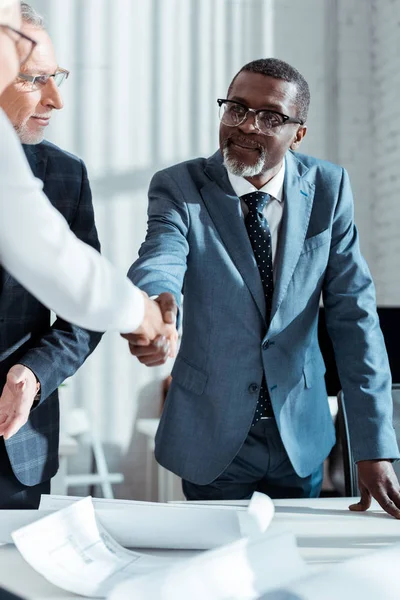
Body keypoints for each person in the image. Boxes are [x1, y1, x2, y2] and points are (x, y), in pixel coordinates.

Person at [126, 57, 400, 518]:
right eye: (236, 108)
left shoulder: (328, 189)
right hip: (212, 434)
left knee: (293, 570)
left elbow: (356, 317)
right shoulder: (180, 185)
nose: (247, 125)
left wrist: (375, 445)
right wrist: (155, 305)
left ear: (298, 133)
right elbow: (161, 255)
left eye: (270, 116)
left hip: (301, 434)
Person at [0, 0, 175, 508]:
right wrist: (141, 314)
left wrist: (33, 373)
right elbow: (56, 259)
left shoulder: (64, 173)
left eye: (56, 77)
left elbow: (79, 304)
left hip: (16, 446)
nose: (55, 99)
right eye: (33, 79)